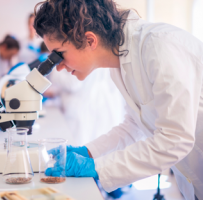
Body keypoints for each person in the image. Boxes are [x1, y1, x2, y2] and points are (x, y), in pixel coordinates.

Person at [33, 1, 203, 200]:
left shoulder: (160, 46)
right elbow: (134, 126)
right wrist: (88, 152)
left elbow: (175, 140)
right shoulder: (120, 62)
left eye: (59, 55)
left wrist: (96, 167)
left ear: (90, 40)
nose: (59, 67)